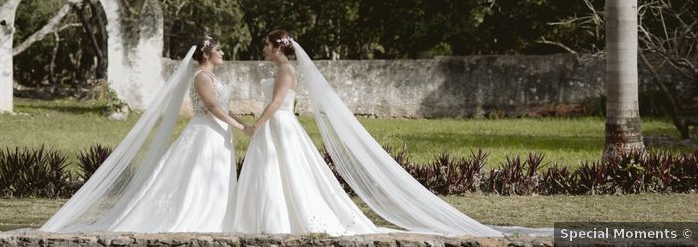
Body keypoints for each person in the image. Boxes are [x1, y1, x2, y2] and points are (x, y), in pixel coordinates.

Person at [228, 30, 545, 238]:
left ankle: (280, 221)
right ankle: (265, 220)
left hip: (279, 124)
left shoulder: (285, 70)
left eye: (267, 44)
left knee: (284, 170)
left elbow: (278, 102)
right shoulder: (279, 69)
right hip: (276, 125)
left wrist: (257, 124)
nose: (264, 49)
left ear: (277, 47)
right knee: (273, 171)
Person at [41, 37, 251, 233]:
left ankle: (217, 218)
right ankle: (198, 217)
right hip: (205, 133)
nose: (222, 53)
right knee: (197, 175)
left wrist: (244, 124)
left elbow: (225, 107)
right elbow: (213, 107)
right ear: (206, 54)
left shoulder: (213, 77)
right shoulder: (202, 77)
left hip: (220, 132)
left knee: (216, 174)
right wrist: (241, 129)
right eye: (218, 49)